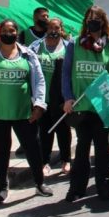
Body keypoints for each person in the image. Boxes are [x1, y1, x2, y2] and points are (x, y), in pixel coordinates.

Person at [0, 19, 51, 203]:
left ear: (17, 32)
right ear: (0, 33)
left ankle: (39, 183)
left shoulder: (28, 55)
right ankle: (2, 188)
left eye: (11, 30)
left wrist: (39, 105)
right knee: (1, 152)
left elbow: (40, 81)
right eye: (4, 30)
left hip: (25, 113)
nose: (8, 33)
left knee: (32, 148)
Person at [62, 6, 109, 202]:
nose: (93, 21)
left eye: (97, 18)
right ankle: (77, 188)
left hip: (102, 104)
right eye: (90, 18)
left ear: (103, 21)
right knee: (82, 148)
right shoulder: (74, 44)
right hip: (81, 105)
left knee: (102, 148)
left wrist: (105, 84)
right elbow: (66, 73)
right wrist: (67, 97)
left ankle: (104, 186)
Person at [31, 17, 71, 177]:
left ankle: (66, 160)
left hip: (61, 98)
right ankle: (44, 162)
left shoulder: (69, 47)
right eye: (50, 28)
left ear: (61, 29)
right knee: (44, 130)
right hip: (42, 98)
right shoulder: (36, 47)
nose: (53, 31)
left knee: (63, 130)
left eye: (57, 28)